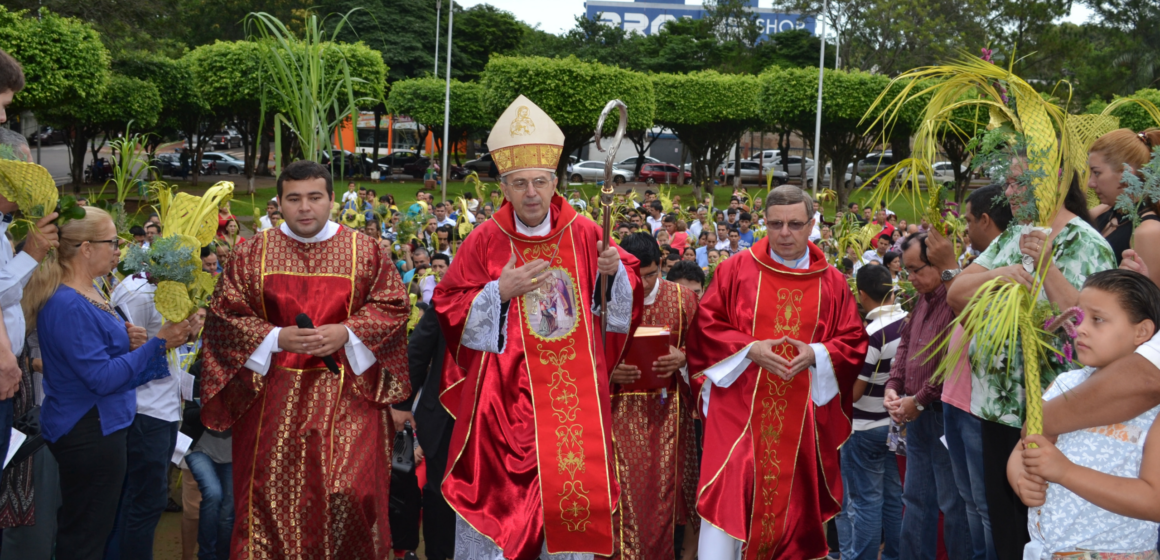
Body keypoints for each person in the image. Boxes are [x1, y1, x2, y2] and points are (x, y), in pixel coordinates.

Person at [432, 95, 642, 560]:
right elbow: (448, 306)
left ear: (554, 184)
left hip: (573, 404)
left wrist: (613, 274)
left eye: (540, 182)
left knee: (567, 521)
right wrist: (497, 293)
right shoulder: (484, 241)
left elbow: (618, 307)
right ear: (503, 189)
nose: (531, 193)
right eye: (520, 183)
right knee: (499, 512)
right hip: (501, 406)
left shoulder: (586, 232)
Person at [200, 160, 411, 558]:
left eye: (315, 197)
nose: (304, 208)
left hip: (349, 397)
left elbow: (394, 308)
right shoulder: (252, 254)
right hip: (273, 402)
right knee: (272, 502)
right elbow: (224, 316)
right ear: (278, 203)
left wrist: (346, 332)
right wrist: (277, 337)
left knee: (350, 494)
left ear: (332, 199)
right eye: (293, 199)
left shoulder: (363, 252)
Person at [688, 185, 868, 559]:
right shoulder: (735, 270)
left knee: (795, 506)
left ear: (812, 224)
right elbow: (704, 326)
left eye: (795, 224)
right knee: (729, 497)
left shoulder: (831, 282)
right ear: (763, 223)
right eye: (776, 224)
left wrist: (817, 353)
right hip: (738, 412)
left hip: (801, 418)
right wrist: (751, 349)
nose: (785, 233)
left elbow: (852, 339)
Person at [948, 170, 1115, 559]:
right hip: (995, 409)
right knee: (1005, 530)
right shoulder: (1013, 235)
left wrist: (1047, 268)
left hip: (1048, 418)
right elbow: (957, 294)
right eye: (1008, 182)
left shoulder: (1086, 243)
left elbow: (1089, 329)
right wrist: (1002, 274)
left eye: (1017, 182)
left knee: (1040, 529)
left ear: (1055, 180)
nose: (1007, 192)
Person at [24, 207, 192, 560]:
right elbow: (100, 379)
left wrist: (132, 342)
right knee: (85, 536)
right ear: (85, 248)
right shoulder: (68, 302)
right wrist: (157, 343)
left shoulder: (92, 290)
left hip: (103, 425)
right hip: (88, 429)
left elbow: (109, 365)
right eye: (113, 241)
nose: (120, 248)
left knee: (93, 529)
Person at [1009, 270, 1160, 558]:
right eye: (1078, 318)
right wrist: (1020, 479)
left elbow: (1155, 501)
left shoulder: (1154, 407)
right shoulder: (1064, 385)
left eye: (1098, 319)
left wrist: (1066, 472)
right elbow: (1023, 448)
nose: (1080, 329)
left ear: (1142, 332)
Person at [607, 233, 701, 560]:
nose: (644, 284)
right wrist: (608, 371)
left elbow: (706, 353)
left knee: (660, 501)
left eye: (650, 275)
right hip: (616, 415)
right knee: (622, 502)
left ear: (661, 264)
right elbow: (583, 354)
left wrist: (684, 358)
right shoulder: (607, 301)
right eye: (635, 276)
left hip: (667, 417)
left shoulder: (684, 300)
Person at [884, 231, 973, 560]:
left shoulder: (955, 298)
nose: (911, 278)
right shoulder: (922, 299)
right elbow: (906, 345)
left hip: (941, 414)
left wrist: (918, 399)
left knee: (953, 503)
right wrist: (893, 386)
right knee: (915, 498)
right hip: (915, 412)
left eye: (918, 270)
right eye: (906, 271)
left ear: (939, 265)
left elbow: (952, 364)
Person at [108, 269, 206, 559]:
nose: (116, 252)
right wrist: (164, 342)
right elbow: (125, 358)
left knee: (142, 503)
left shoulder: (172, 288)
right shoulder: (137, 291)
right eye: (111, 243)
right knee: (143, 503)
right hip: (144, 411)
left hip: (163, 411)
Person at [942, 183, 1012, 560]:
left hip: (979, 401)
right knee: (969, 500)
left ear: (986, 219)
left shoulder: (1008, 258)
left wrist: (947, 267)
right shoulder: (989, 257)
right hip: (957, 396)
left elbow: (960, 305)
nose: (965, 229)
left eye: (968, 221)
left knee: (985, 505)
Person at [835, 264, 905, 560]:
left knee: (865, 503)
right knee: (892, 499)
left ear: (861, 295)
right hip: (895, 423)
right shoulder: (909, 320)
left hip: (865, 427)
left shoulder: (872, 333)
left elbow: (856, 391)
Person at [391, 305, 458, 560]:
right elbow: (417, 351)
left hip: (502, 415)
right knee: (440, 493)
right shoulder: (450, 296)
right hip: (443, 416)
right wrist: (401, 404)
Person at [1089, 129, 1160, 271]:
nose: (1090, 183)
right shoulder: (1103, 212)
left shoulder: (1147, 232)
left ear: (1126, 173)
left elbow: (1150, 292)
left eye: (1097, 173)